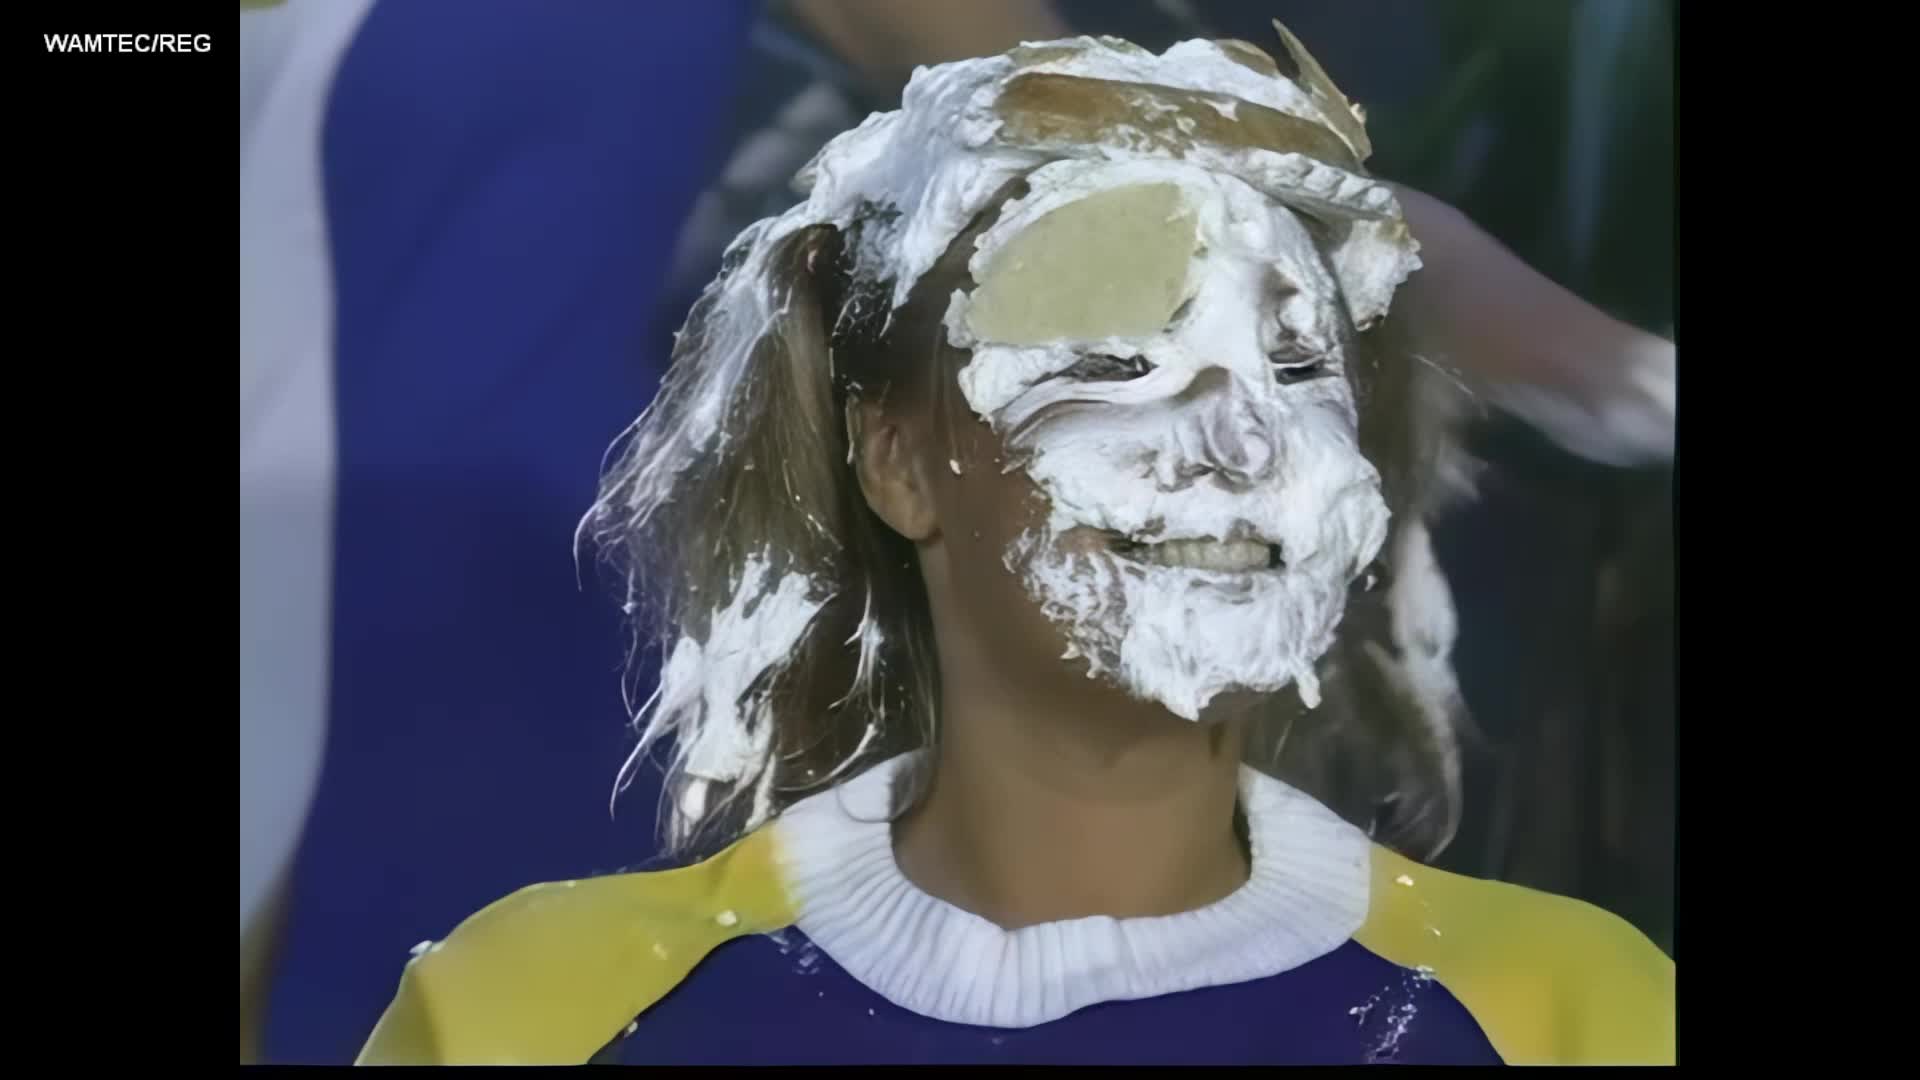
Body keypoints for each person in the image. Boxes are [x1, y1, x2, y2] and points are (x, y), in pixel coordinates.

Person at [356, 27, 1673, 1066]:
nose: (1241, 443)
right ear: (897, 462)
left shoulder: (1573, 1013)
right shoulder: (540, 1012)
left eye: (1294, 369)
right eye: (1117, 367)